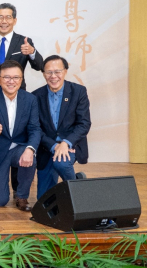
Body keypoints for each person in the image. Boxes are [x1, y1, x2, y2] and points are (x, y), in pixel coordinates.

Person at [0, 3, 44, 201]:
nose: (3, 21)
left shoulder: (24, 41)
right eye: (0, 17)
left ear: (14, 20)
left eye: (8, 17)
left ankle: (19, 191)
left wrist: (32, 51)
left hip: (16, 99)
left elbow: (39, 65)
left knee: (17, 139)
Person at [0, 60, 41, 211]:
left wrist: (30, 149)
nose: (11, 81)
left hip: (19, 147)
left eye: (16, 77)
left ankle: (22, 196)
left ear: (21, 80)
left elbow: (35, 129)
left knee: (30, 157)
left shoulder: (30, 100)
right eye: (7, 77)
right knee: (0, 201)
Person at [32, 55, 91, 199]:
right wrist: (54, 146)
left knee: (61, 163)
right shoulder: (35, 96)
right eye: (49, 72)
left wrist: (66, 143)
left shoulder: (78, 92)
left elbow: (84, 123)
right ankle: (76, 181)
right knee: (44, 201)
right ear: (44, 74)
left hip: (71, 145)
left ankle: (78, 195)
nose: (53, 76)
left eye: (57, 71)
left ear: (65, 71)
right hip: (47, 148)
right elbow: (35, 128)